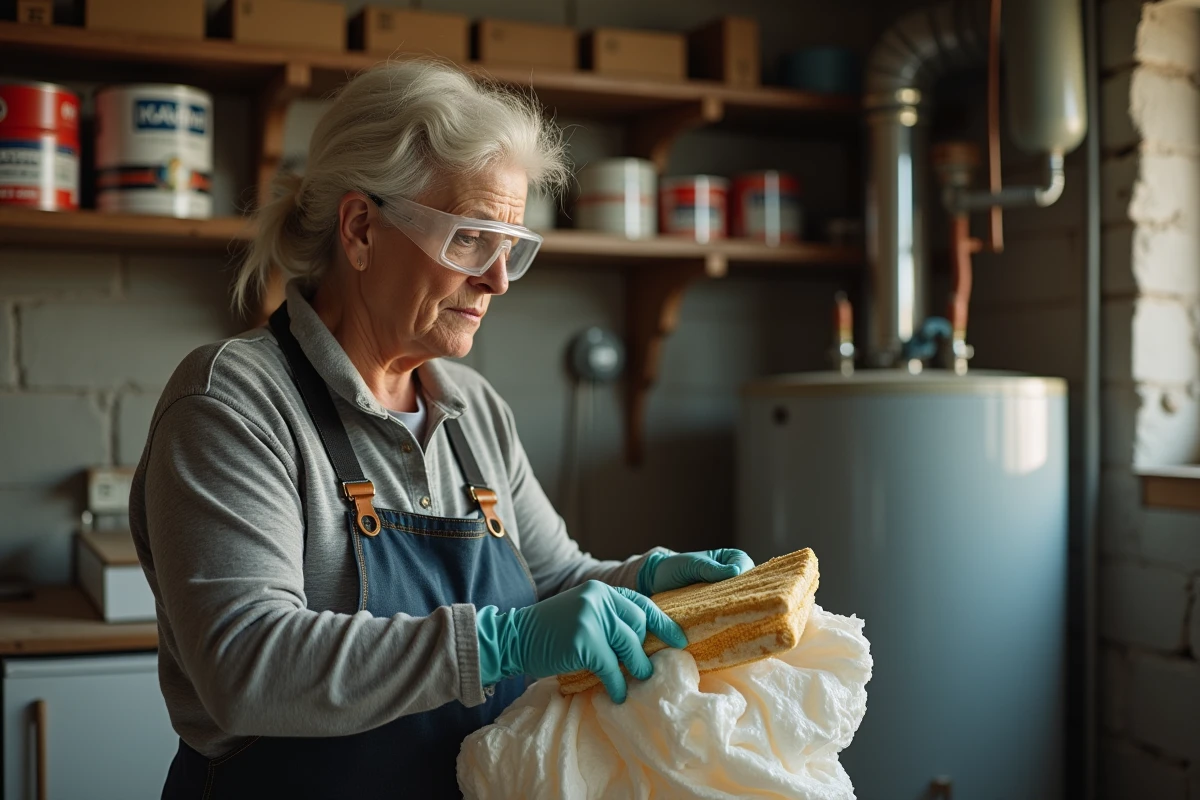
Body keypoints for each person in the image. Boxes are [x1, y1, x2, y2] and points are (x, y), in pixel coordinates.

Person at [129, 60, 754, 799]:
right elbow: (246, 665)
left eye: (512, 246)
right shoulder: (234, 403)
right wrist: (498, 643)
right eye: (470, 239)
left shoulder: (472, 408)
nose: (496, 280)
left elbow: (551, 581)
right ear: (361, 229)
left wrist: (647, 583)